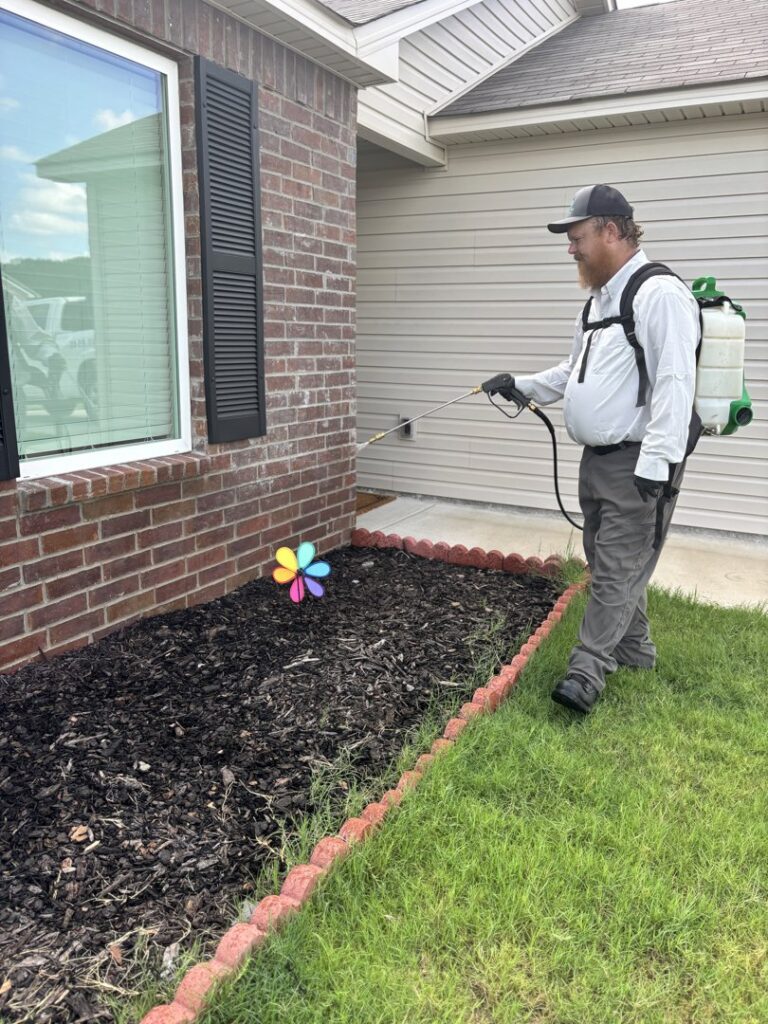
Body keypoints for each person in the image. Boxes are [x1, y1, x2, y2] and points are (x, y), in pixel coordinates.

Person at [485, 184, 700, 713]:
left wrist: (658, 462)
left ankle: (586, 671)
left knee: (613, 569)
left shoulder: (659, 295)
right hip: (597, 461)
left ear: (610, 230)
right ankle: (636, 649)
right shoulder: (598, 302)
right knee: (611, 558)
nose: (571, 249)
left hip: (638, 461)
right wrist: (524, 384)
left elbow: (676, 381)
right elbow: (573, 372)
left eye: (577, 237)